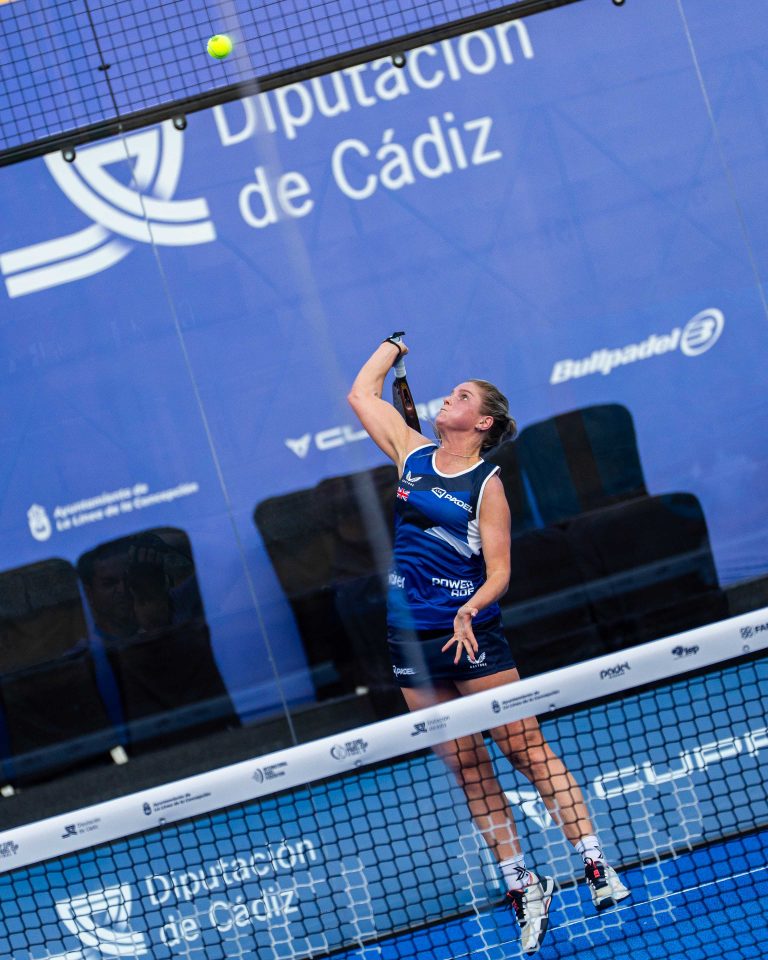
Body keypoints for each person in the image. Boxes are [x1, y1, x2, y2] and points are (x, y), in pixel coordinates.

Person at [347, 338, 630, 955]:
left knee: (525, 749)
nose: (450, 397)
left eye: (464, 396)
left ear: (483, 423)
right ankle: (523, 882)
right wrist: (391, 348)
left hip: (469, 635)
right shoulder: (411, 454)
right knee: (466, 766)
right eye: (452, 392)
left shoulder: (487, 484)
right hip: (410, 640)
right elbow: (361, 394)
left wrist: (470, 607)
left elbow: (499, 572)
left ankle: (595, 864)